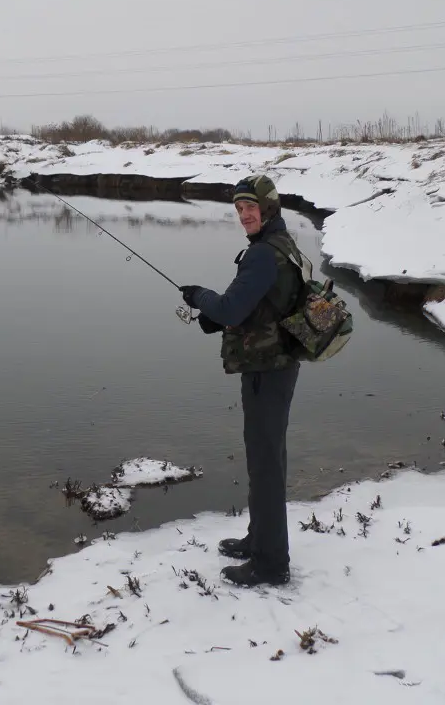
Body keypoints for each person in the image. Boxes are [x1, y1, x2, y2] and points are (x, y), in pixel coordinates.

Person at [180, 174, 304, 587]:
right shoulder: (282, 246)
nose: (244, 215)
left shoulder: (263, 255)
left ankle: (270, 564)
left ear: (269, 208)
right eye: (238, 209)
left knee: (266, 463)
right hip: (277, 364)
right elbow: (257, 305)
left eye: (250, 207)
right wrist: (216, 317)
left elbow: (232, 308)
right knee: (267, 457)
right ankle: (259, 539)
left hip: (268, 370)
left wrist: (199, 297)